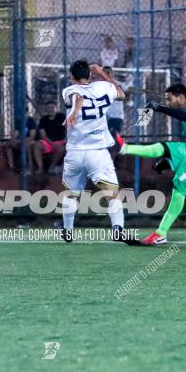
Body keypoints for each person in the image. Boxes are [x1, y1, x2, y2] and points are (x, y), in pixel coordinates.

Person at [116, 82, 186, 246]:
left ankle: (160, 233)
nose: (167, 102)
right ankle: (125, 148)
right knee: (164, 150)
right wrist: (168, 162)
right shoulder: (185, 120)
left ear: (181, 98)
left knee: (179, 189)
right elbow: (185, 151)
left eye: (169, 99)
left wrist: (160, 108)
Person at [60, 60, 128, 243]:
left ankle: (67, 231)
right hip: (97, 152)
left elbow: (77, 96)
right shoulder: (104, 86)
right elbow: (121, 95)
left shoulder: (68, 90)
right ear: (90, 75)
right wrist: (102, 73)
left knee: (70, 194)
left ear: (71, 77)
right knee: (112, 193)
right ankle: (118, 229)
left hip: (75, 152)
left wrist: (74, 112)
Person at [32, 103, 66, 174]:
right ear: (46, 109)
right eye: (48, 108)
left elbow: (70, 129)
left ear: (56, 108)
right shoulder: (43, 120)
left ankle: (51, 168)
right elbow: (43, 135)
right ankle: (40, 168)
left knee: (59, 148)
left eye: (52, 107)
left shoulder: (62, 117)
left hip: (60, 141)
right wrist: (51, 143)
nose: (50, 109)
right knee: (37, 144)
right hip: (48, 142)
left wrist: (66, 141)